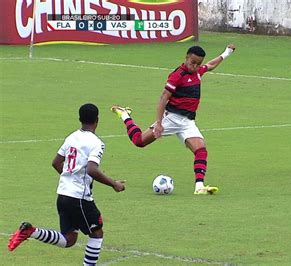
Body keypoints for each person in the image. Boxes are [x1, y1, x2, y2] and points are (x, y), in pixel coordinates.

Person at [8, 103, 126, 266]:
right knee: (97, 233)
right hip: (79, 198)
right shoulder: (96, 143)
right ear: (97, 120)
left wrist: (69, 177)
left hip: (63, 195)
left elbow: (56, 162)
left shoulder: (71, 137)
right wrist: (114, 184)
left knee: (69, 239)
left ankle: (32, 231)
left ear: (80, 119)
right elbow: (92, 169)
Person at [111, 44, 235, 195]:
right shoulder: (177, 75)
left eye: (198, 64)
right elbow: (163, 98)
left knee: (201, 150)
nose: (195, 66)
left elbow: (211, 65)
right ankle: (124, 115)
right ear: (186, 58)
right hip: (171, 118)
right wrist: (158, 124)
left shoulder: (197, 72)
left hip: (187, 122)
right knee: (139, 141)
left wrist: (226, 53)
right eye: (192, 62)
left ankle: (199, 187)